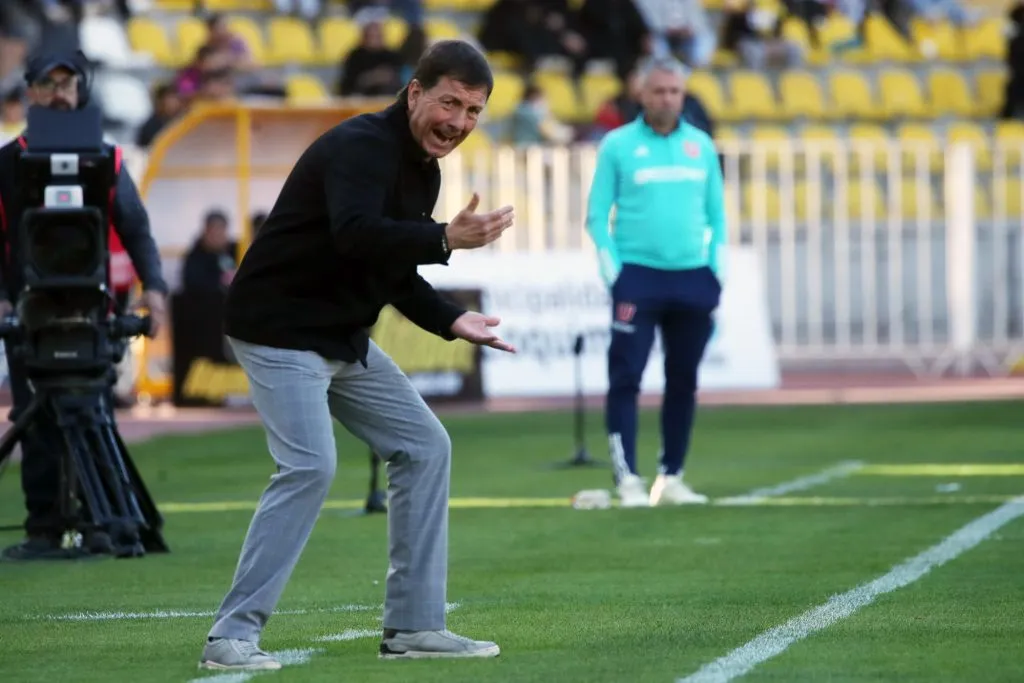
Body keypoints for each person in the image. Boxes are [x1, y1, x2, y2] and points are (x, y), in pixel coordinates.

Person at [199, 39, 515, 671]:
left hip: (338, 334)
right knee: (310, 466)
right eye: (450, 103)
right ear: (415, 92)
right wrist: (443, 238)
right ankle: (230, 637)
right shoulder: (361, 145)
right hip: (279, 327)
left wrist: (451, 318)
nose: (458, 122)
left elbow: (388, 268)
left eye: (473, 111)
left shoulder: (423, 168)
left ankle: (415, 627)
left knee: (425, 447)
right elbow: (356, 235)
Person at [0, 51, 168, 561]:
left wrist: (154, 289)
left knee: (95, 413)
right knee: (35, 417)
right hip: (28, 308)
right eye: (49, 84)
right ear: (31, 92)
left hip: (93, 307)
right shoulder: (6, 162)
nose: (59, 94)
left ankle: (102, 524)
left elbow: (136, 227)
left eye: (68, 84)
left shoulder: (107, 158)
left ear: (82, 91)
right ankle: (44, 528)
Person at [585, 56, 726, 509]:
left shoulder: (701, 146)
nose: (667, 99)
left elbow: (718, 218)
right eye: (659, 91)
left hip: (693, 279)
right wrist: (616, 274)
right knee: (626, 378)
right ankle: (627, 479)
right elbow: (596, 217)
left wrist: (715, 272)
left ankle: (672, 477)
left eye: (674, 91)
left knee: (683, 381)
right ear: (642, 94)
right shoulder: (618, 145)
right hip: (638, 278)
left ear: (683, 96)